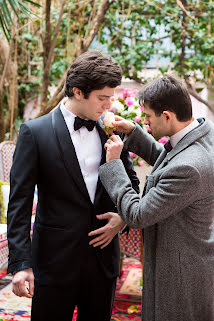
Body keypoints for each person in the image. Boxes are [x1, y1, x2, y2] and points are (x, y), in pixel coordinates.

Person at [7, 50, 139, 321]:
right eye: (103, 98)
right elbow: (18, 205)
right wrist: (21, 264)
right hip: (54, 263)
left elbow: (133, 185)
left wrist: (122, 219)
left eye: (112, 97)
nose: (109, 105)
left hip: (103, 262)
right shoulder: (35, 132)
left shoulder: (112, 128)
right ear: (78, 92)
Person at [91, 75, 214, 321]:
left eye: (147, 117)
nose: (145, 122)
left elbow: (137, 215)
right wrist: (135, 133)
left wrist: (114, 164)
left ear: (167, 116)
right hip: (192, 258)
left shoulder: (189, 167)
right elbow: (170, 161)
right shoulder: (202, 133)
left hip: (181, 273)